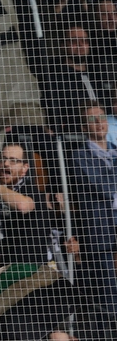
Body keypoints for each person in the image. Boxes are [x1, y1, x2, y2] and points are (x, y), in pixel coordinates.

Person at [71, 102, 117, 313]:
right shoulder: (78, 157)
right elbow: (99, 184)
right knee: (107, 291)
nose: (99, 122)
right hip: (101, 233)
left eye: (101, 117)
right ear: (83, 127)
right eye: (91, 119)